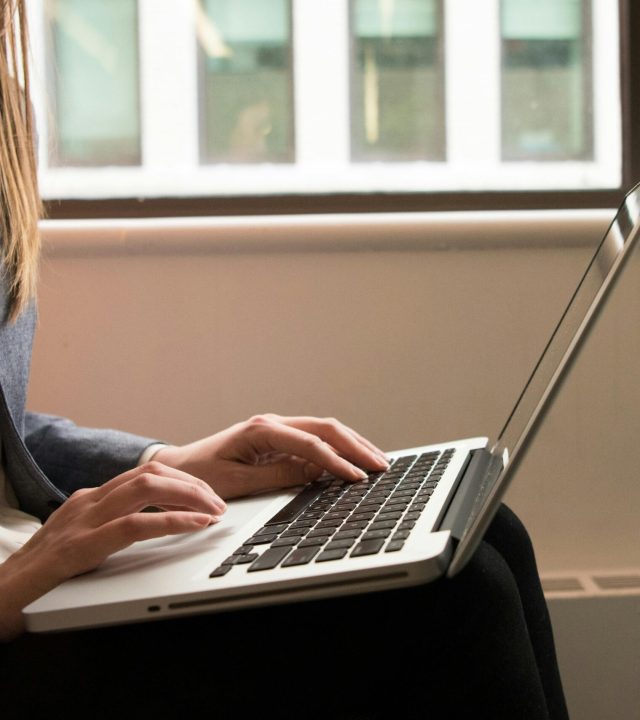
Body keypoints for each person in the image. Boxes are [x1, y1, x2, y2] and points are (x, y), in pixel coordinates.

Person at [0, 2, 569, 717]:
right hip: (15, 604)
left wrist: (166, 463)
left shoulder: (5, 106)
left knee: (489, 532)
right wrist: (18, 583)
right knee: (460, 602)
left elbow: (6, 435)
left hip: (33, 557)